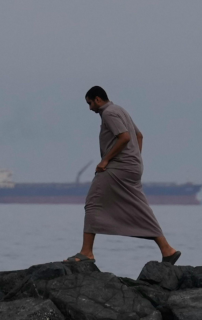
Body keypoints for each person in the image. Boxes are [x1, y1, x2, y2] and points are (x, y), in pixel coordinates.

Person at [65, 86, 181, 265]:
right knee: (139, 207)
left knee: (93, 202)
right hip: (132, 167)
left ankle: (86, 252)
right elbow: (139, 136)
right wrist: (135, 159)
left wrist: (105, 161)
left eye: (89, 103)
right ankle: (167, 250)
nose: (89, 108)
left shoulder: (109, 113)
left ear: (97, 99)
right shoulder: (120, 110)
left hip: (117, 167)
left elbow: (125, 137)